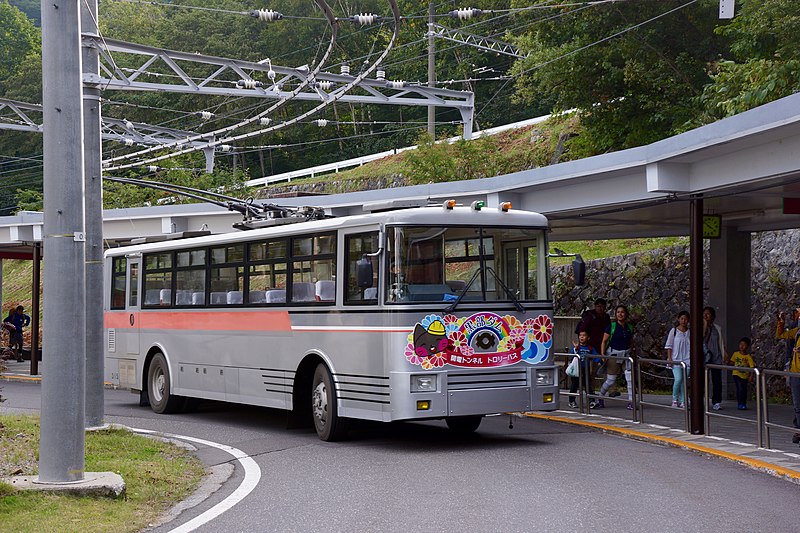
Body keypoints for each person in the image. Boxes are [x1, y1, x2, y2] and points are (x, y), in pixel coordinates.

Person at [598, 305, 634, 410]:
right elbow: (604, 341)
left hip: (626, 355)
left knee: (629, 379)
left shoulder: (629, 327)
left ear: (626, 314)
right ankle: (600, 397)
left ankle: (631, 402)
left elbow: (631, 342)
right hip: (614, 355)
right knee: (611, 380)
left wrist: (633, 354)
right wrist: (602, 354)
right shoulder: (611, 326)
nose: (620, 314)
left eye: (622, 312)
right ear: (615, 314)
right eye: (618, 312)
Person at [776, 310, 800, 444]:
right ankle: (798, 430)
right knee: (797, 405)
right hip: (795, 371)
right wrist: (781, 321)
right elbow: (780, 335)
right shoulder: (796, 330)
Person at [702, 306, 728, 410]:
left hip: (716, 357)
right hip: (704, 358)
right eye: (704, 314)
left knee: (717, 381)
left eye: (708, 314)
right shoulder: (701, 327)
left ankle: (716, 401)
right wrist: (704, 324)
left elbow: (720, 342)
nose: (705, 316)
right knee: (702, 380)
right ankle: (698, 399)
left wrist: (724, 353)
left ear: (712, 316)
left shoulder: (717, 328)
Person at [665, 310, 691, 408]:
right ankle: (674, 399)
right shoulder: (674, 331)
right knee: (678, 379)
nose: (684, 321)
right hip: (676, 359)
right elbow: (669, 346)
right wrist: (670, 359)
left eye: (685, 319)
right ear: (678, 319)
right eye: (682, 319)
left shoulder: (689, 332)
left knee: (684, 381)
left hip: (687, 359)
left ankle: (683, 400)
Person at [568, 329, 598, 408]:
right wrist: (576, 348)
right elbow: (571, 355)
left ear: (588, 338)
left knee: (588, 385)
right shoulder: (576, 347)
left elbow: (596, 357)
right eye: (580, 335)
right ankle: (572, 401)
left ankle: (591, 401)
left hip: (586, 369)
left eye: (584, 335)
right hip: (576, 369)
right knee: (574, 385)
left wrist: (600, 361)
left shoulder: (590, 348)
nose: (582, 337)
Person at [729, 337, 755, 410]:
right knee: (739, 388)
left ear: (747, 346)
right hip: (736, 373)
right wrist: (728, 362)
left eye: (744, 345)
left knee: (744, 389)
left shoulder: (748, 356)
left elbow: (752, 367)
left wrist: (751, 376)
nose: (742, 346)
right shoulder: (735, 354)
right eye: (740, 344)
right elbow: (732, 362)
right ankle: (740, 403)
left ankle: (743, 402)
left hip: (745, 375)